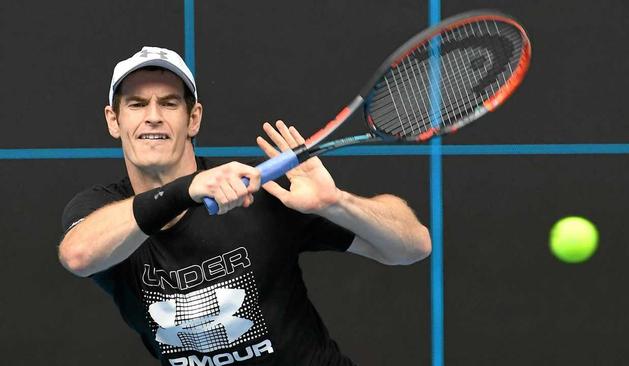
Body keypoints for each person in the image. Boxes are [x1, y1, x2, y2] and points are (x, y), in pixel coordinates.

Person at [58, 46, 431, 366]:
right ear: (114, 120)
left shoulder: (260, 193)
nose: (153, 115)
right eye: (137, 104)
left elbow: (413, 246)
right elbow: (78, 255)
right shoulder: (102, 208)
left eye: (169, 103)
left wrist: (336, 203)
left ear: (193, 118)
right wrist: (184, 191)